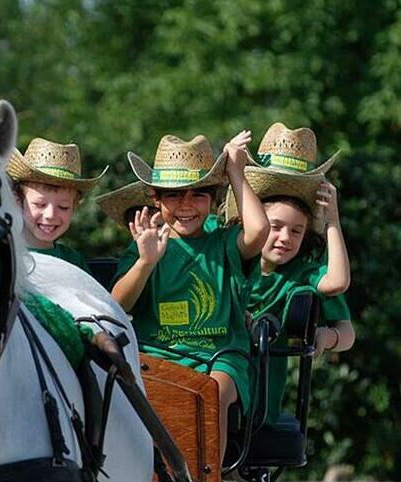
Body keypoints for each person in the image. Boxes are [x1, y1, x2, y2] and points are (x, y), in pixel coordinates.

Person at [109, 131, 269, 457]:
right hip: (157, 356)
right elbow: (115, 305)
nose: (186, 205)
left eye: (198, 195)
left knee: (212, 392)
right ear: (155, 198)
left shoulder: (223, 241)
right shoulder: (147, 243)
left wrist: (235, 170)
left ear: (213, 198)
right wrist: (145, 262)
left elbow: (259, 232)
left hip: (218, 357)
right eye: (174, 195)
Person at [226, 122, 353, 424]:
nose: (285, 237)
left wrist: (332, 220)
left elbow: (338, 286)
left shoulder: (302, 273)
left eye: (296, 231)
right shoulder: (227, 259)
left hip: (260, 407)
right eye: (274, 227)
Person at [7, 137, 107, 272]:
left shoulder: (73, 260)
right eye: (40, 204)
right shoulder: (6, 254)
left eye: (63, 207)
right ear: (17, 201)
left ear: (74, 207)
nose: (50, 215)